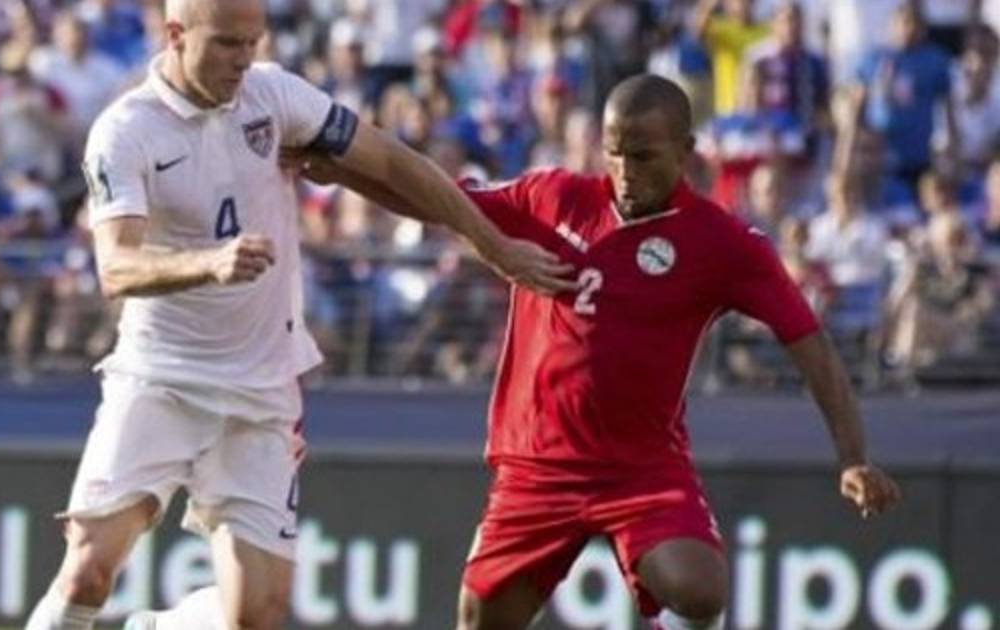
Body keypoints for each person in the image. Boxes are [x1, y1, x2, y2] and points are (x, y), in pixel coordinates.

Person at [23, 1, 572, 630]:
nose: (244, 60)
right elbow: (115, 267)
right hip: (161, 375)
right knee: (90, 568)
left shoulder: (274, 96)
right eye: (227, 44)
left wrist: (491, 245)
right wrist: (209, 263)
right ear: (176, 35)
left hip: (262, 388)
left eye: (252, 42)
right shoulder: (127, 130)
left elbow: (390, 163)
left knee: (254, 616)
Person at [293, 74, 901, 630]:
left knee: (699, 588)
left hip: (641, 468)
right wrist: (345, 174)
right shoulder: (553, 198)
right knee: (479, 620)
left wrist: (853, 457)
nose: (625, 172)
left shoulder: (725, 244)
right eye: (615, 152)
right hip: (537, 466)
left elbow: (810, 344)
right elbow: (439, 200)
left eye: (644, 156)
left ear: (686, 151)